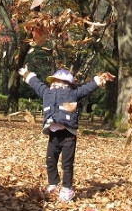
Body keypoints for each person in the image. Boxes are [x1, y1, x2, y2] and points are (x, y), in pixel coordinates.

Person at [18, 65, 113, 202]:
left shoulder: (73, 93)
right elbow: (36, 84)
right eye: (54, 81)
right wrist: (26, 74)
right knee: (50, 161)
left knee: (67, 164)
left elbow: (87, 88)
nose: (55, 83)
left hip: (68, 134)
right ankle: (53, 184)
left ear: (68, 83)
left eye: (59, 81)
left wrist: (101, 79)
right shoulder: (46, 92)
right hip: (53, 134)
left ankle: (67, 189)